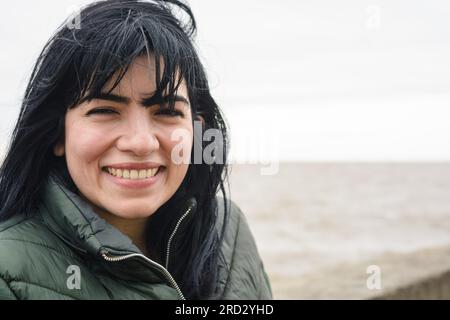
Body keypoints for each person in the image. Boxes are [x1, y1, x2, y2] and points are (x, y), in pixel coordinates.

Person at [0, 0, 272, 300]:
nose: (141, 143)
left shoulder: (228, 229)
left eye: (167, 111)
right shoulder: (7, 272)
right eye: (104, 110)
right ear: (57, 134)